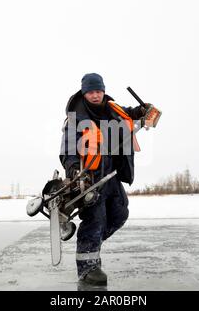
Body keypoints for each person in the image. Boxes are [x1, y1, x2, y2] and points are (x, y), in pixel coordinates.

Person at [59, 73, 149, 286]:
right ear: (84, 92)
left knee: (120, 213)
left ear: (103, 91)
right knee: (95, 218)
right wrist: (73, 169)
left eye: (99, 91)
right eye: (91, 91)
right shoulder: (75, 118)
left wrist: (142, 110)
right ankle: (88, 268)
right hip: (91, 176)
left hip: (113, 174)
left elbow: (130, 113)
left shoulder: (112, 108)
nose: (96, 95)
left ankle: (92, 244)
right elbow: (69, 149)